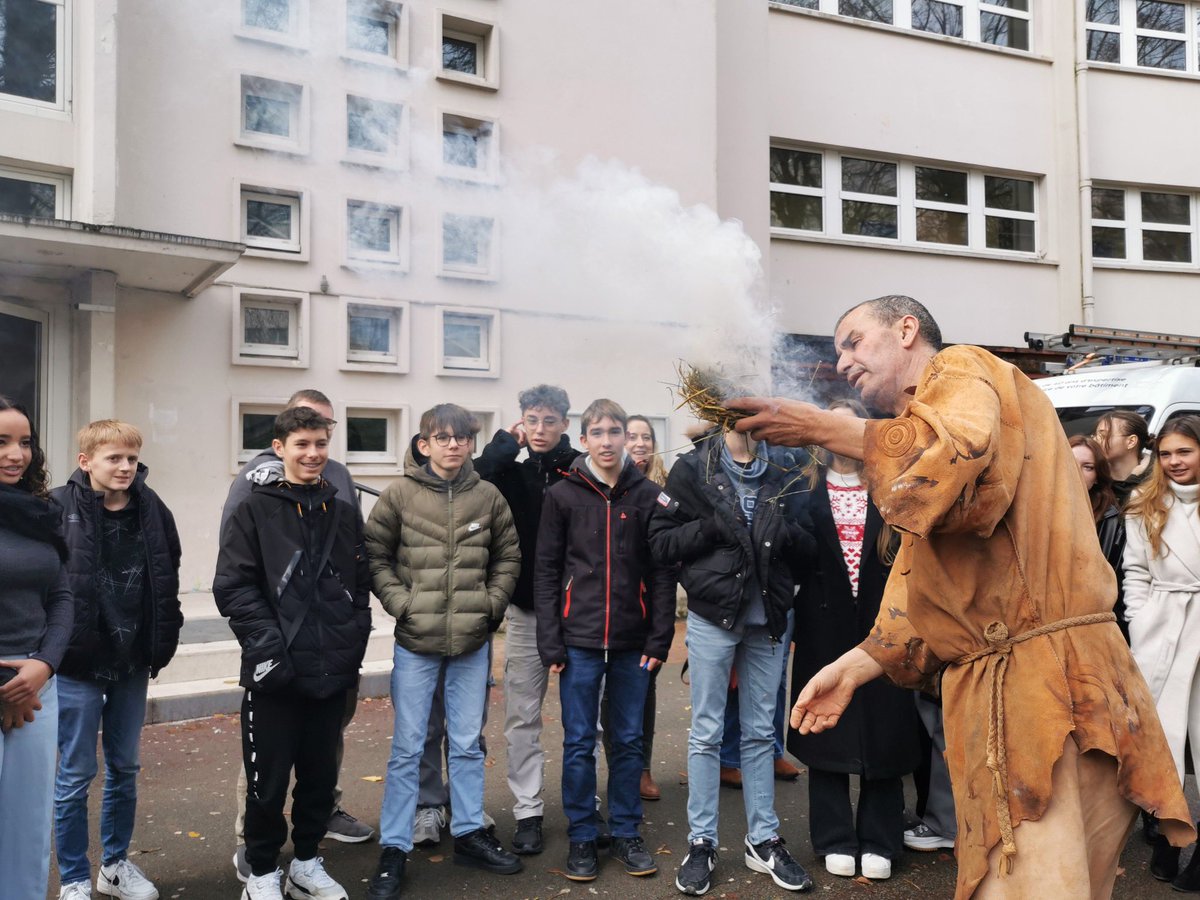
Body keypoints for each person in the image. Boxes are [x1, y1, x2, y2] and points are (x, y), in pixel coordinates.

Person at [733, 294, 1194, 899]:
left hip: (1042, 698)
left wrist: (828, 429)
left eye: (853, 341)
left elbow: (957, 466)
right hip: (1063, 686)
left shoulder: (963, 369)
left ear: (906, 331)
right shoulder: (924, 432)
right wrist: (850, 669)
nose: (842, 360)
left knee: (1031, 887)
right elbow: (922, 594)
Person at [649, 426, 816, 896]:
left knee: (762, 732)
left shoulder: (785, 467)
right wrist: (711, 529)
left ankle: (763, 839)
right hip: (712, 619)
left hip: (768, 622)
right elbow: (661, 543)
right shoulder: (693, 468)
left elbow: (809, 548)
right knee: (706, 731)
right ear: (720, 412)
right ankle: (701, 841)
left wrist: (783, 534)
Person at [365, 404, 523, 899]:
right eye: (442, 437)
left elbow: (508, 556)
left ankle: (470, 832)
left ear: (471, 443)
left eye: (461, 437)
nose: (453, 444)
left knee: (468, 743)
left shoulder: (489, 496)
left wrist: (491, 606)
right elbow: (375, 555)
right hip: (416, 642)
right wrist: (401, 603)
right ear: (424, 443)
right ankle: (394, 848)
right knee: (408, 748)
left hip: (472, 644)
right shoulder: (398, 495)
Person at [214, 406, 372, 900]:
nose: (313, 453)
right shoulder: (254, 509)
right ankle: (262, 872)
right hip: (277, 671)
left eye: (320, 444)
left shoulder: (342, 511)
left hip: (331, 668)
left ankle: (306, 863)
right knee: (268, 782)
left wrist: (353, 644)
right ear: (279, 447)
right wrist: (268, 649)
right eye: (302, 444)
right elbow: (234, 587)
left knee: (320, 777)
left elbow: (358, 587)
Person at [534, 399, 676, 882]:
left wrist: (659, 640)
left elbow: (661, 573)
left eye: (616, 431)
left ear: (626, 437)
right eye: (598, 432)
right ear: (585, 438)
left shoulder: (648, 496)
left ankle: (627, 831)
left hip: (634, 642)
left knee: (629, 742)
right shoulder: (562, 495)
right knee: (578, 743)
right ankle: (581, 835)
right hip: (578, 640)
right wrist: (550, 641)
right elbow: (548, 570)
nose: (609, 441)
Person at [52, 420, 183, 900]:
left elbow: (169, 567)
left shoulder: (152, 507)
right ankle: (73, 878)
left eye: (131, 458)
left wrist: (165, 633)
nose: (126, 467)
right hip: (76, 662)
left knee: (125, 767)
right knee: (75, 773)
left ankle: (114, 866)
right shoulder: (57, 506)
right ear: (86, 461)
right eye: (114, 458)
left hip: (132, 661)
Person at [789, 399, 919, 882]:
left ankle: (881, 837)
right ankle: (834, 836)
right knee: (824, 725)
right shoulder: (801, 492)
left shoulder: (893, 489)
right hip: (823, 628)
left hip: (883, 627)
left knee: (886, 728)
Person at [474, 384, 580, 854]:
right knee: (522, 716)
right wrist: (504, 446)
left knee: (585, 720)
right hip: (525, 611)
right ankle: (528, 811)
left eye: (549, 421)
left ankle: (583, 805)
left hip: (580, 612)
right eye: (531, 420)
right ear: (521, 422)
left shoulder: (580, 469)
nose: (540, 430)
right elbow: (472, 479)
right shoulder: (509, 474)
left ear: (564, 424)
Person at [1123, 415, 1200, 890]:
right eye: (1167, 453)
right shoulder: (1144, 503)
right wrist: (1141, 618)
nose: (1174, 462)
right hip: (1164, 632)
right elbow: (1134, 570)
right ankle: (1169, 837)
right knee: (1163, 748)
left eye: (1185, 452)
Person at [0, 396, 73, 900]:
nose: (16, 454)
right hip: (9, 686)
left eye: (24, 442)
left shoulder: (40, 513)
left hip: (37, 690)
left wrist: (43, 665)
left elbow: (62, 595)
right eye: (1, 442)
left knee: (27, 833)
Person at [611, 414, 669, 802]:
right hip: (611, 605)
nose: (639, 443)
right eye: (631, 436)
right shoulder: (611, 484)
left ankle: (642, 767)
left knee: (642, 691)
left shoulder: (664, 488)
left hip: (649, 605)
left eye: (646, 437)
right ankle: (617, 767)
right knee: (607, 697)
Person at [1069, 434, 1128, 641]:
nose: (1077, 471)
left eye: (1088, 466)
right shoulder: (1035, 511)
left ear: (1097, 476)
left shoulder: (1112, 520)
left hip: (1090, 624)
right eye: (1071, 462)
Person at [1094, 410, 1152, 508]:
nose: (1095, 440)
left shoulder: (1156, 482)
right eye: (1096, 435)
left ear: (1131, 442)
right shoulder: (1093, 479)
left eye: (1103, 436)